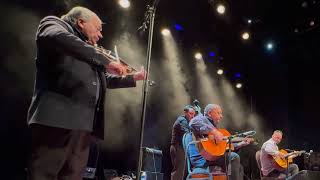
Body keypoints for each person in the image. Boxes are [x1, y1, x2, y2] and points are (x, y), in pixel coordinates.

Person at [26, 6, 145, 180]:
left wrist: (134, 78)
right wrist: (104, 59)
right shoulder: (54, 24)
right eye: (98, 29)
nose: (101, 35)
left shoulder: (89, 50)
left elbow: (104, 79)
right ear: (81, 22)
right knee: (44, 173)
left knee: (73, 175)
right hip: (57, 120)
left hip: (83, 125)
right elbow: (58, 38)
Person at [187, 104, 250, 180]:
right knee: (234, 157)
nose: (221, 116)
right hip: (202, 158)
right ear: (210, 113)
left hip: (210, 157)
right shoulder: (202, 119)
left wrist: (241, 144)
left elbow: (222, 147)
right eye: (218, 113)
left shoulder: (213, 128)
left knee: (239, 167)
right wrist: (214, 131)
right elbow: (192, 122)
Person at [170, 105, 196, 180]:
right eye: (191, 114)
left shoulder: (188, 121)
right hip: (177, 147)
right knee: (178, 171)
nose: (193, 116)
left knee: (182, 171)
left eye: (194, 114)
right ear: (185, 112)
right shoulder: (182, 120)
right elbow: (189, 134)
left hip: (181, 148)